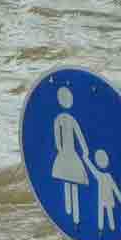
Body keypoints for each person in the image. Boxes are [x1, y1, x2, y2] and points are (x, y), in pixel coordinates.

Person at [51, 87, 90, 224]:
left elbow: (79, 135)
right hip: (67, 153)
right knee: (68, 180)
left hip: (69, 153)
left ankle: (75, 216)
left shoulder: (67, 119)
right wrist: (61, 150)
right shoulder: (59, 119)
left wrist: (84, 150)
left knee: (73, 180)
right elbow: (58, 138)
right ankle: (69, 213)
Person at [86, 149, 121, 232]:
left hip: (106, 197)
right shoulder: (101, 175)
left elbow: (114, 187)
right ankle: (102, 229)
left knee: (107, 213)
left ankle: (111, 228)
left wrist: (119, 196)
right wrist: (86, 160)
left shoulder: (106, 176)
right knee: (102, 213)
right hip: (104, 198)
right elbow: (92, 169)